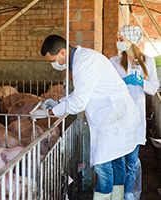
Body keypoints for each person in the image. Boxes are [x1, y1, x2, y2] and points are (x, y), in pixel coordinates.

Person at [30, 35, 145, 200]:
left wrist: (49, 113)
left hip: (114, 116)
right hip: (112, 114)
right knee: (116, 161)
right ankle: (117, 197)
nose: (53, 64)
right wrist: (57, 102)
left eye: (53, 60)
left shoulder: (84, 63)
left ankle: (104, 196)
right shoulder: (82, 59)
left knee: (103, 165)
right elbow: (80, 93)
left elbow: (79, 103)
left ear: (62, 52)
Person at [109, 25, 159, 200]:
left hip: (136, 115)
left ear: (132, 41)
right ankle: (117, 192)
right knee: (117, 158)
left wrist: (141, 83)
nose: (118, 42)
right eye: (118, 39)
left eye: (121, 39)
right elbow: (109, 87)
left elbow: (153, 89)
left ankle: (128, 192)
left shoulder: (148, 61)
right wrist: (123, 81)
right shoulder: (113, 61)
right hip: (118, 114)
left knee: (132, 158)